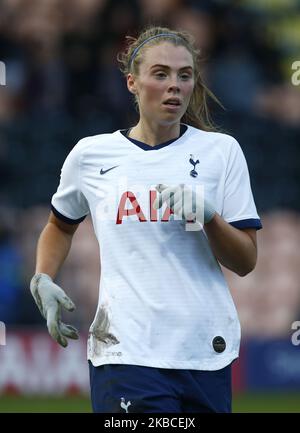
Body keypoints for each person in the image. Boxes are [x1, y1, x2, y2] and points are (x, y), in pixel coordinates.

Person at [30, 26, 262, 413]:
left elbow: (245, 261)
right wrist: (43, 278)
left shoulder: (222, 152)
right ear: (132, 83)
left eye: (184, 75)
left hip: (205, 350)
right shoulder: (91, 155)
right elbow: (59, 225)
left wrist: (209, 218)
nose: (174, 85)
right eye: (161, 74)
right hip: (124, 350)